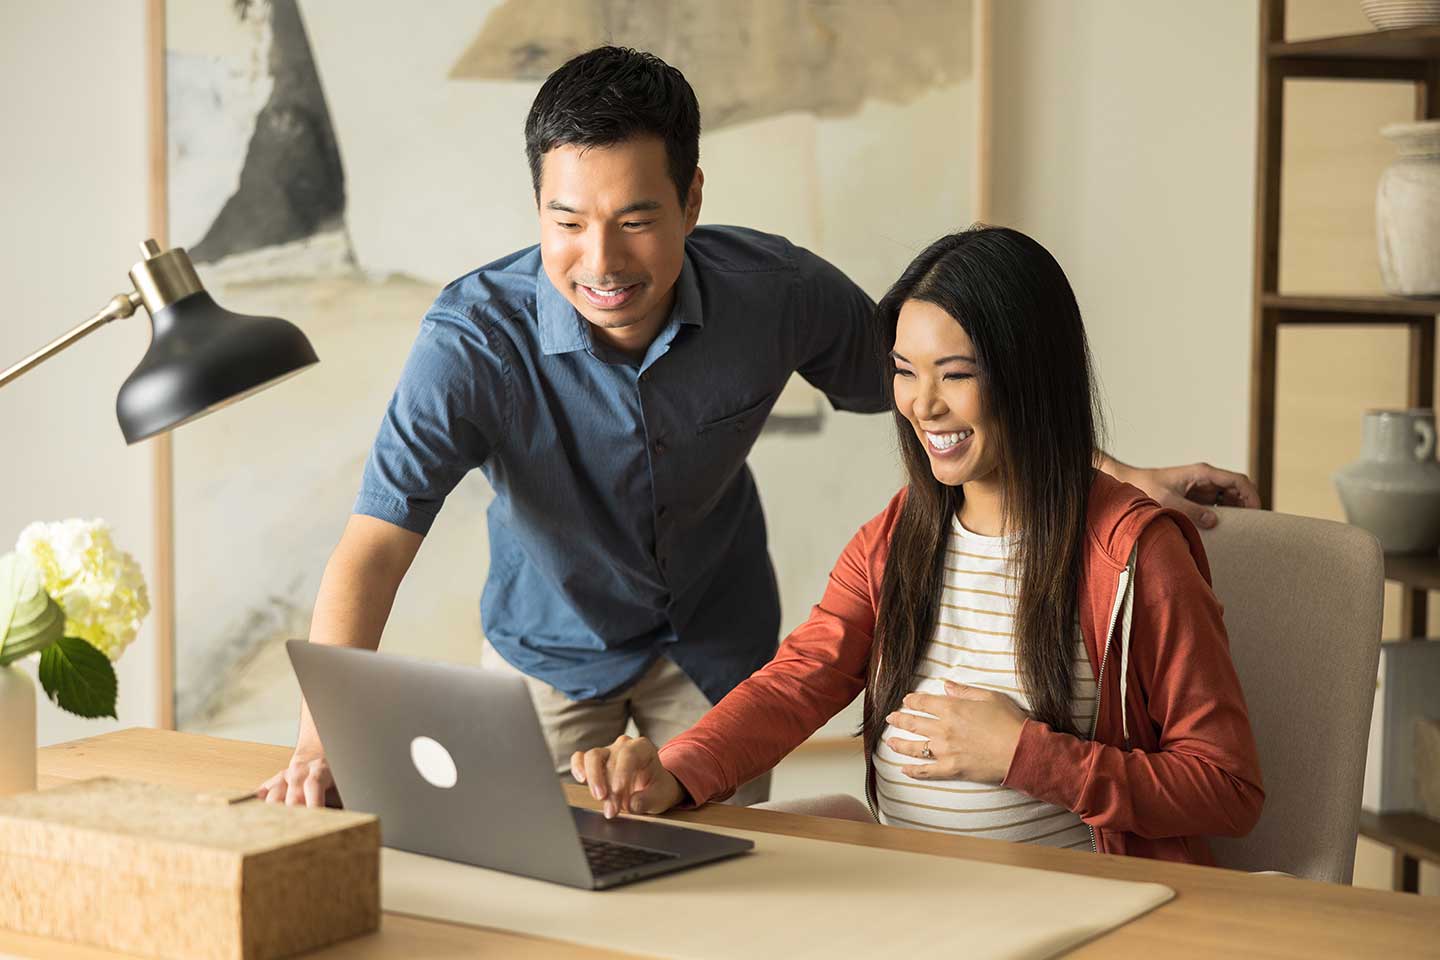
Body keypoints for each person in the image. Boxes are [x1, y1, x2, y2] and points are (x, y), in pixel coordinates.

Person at [258, 47, 1259, 810]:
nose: (599, 258)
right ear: (538, 207)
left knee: (718, 893)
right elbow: (373, 550)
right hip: (544, 649)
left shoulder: (774, 294)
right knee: (527, 886)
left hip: (717, 649)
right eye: (567, 221)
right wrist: (320, 738)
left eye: (636, 217)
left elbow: (955, 400)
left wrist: (1112, 472)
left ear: (693, 199)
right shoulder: (470, 341)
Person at [572, 227, 1264, 864]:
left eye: (955, 374)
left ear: (1031, 376)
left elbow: (1226, 786)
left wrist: (1026, 755)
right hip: (908, 895)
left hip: (1068, 902)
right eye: (905, 370)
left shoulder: (1134, 555)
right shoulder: (898, 536)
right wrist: (674, 769)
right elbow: (796, 682)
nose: (921, 404)